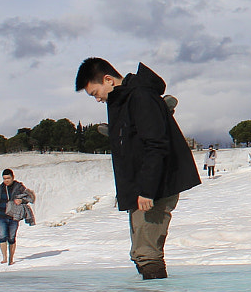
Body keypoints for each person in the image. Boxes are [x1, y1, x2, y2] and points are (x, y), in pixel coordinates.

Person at [75, 58, 201, 280]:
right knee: (141, 252)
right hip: (143, 188)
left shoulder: (140, 97)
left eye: (95, 92)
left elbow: (156, 145)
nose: (97, 99)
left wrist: (146, 190)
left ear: (108, 80)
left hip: (155, 188)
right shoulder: (123, 101)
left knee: (147, 254)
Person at [0, 169, 35, 265]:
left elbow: (30, 198)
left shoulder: (19, 187)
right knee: (2, 236)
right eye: (4, 179)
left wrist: (21, 201)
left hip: (14, 216)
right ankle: (4, 258)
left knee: (11, 237)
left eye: (8, 178)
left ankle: (11, 258)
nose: (6, 180)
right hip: (1, 215)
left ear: (12, 177)